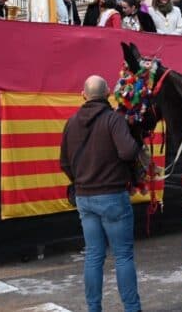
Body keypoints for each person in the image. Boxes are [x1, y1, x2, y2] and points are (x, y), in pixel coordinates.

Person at [59, 75, 143, 312]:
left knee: (94, 256)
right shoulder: (113, 120)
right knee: (123, 256)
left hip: (84, 198)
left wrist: (80, 181)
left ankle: (93, 308)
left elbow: (64, 162)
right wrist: (136, 142)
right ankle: (132, 308)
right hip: (113, 197)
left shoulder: (71, 122)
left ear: (83, 94)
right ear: (108, 93)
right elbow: (128, 152)